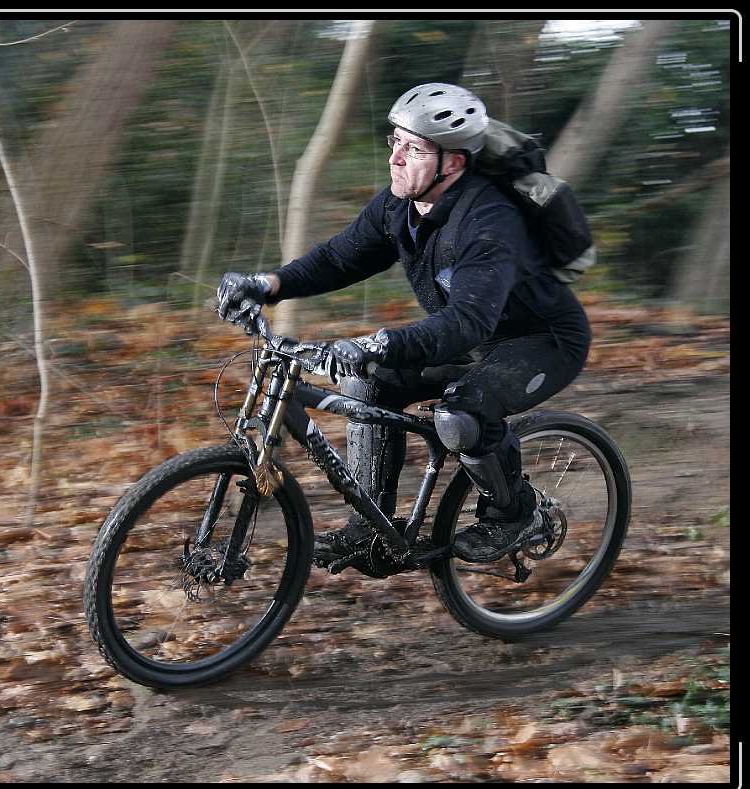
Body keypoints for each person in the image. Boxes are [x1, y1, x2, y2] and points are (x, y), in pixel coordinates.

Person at [216, 82, 591, 571]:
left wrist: (378, 342)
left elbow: (467, 321)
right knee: (366, 382)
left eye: (413, 149)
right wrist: (267, 284)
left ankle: (513, 513)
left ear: (452, 163)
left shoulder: (489, 222)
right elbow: (339, 258)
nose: (395, 157)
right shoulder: (399, 205)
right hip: (470, 336)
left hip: (541, 340)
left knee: (463, 414)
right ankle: (370, 529)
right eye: (395, 141)